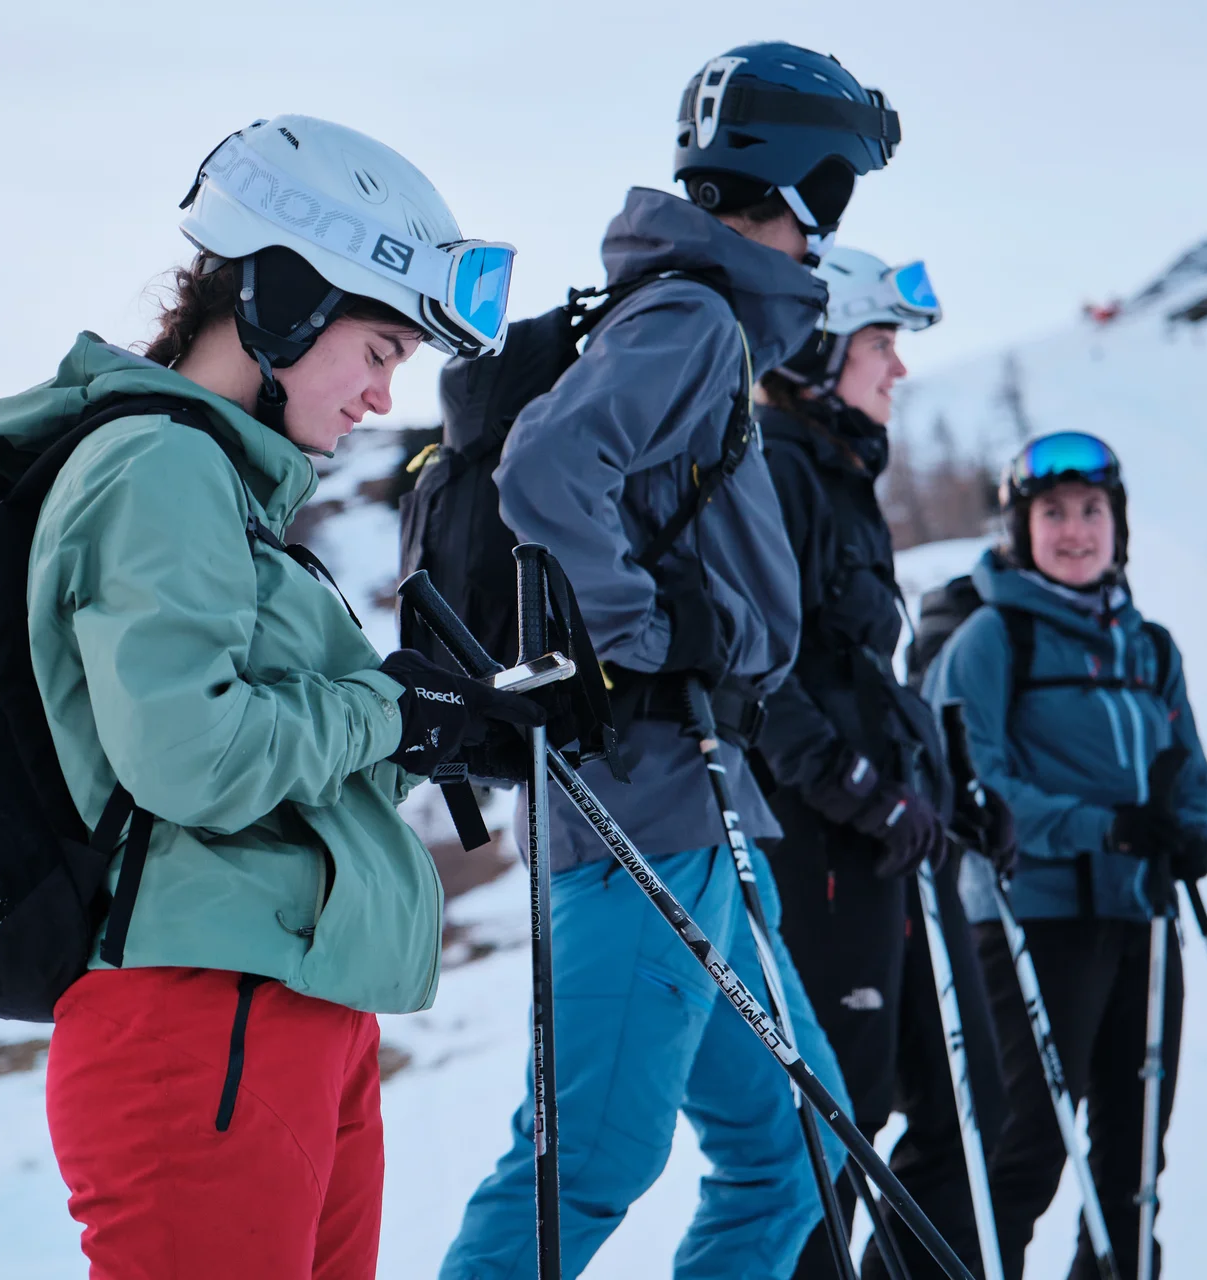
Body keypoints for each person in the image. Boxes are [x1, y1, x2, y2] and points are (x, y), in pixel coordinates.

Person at [0, 116, 541, 1279]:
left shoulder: (222, 490)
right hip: (198, 1023)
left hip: (287, 1010)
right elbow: (189, 756)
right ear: (279, 301)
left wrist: (443, 728)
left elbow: (270, 770)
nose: (379, 395)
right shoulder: (158, 467)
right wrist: (386, 711)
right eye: (374, 349)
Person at [442, 43, 901, 1280]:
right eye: (839, 192)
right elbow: (545, 468)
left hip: (698, 800)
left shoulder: (691, 317)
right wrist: (645, 633)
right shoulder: (695, 318)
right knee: (584, 1161)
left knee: (797, 1146)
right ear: (806, 186)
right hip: (645, 804)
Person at [753, 248, 1012, 1280]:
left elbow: (865, 676)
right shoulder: (775, 467)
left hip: (889, 843)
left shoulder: (836, 467)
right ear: (818, 349)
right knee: (837, 1127)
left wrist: (947, 789)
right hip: (824, 844)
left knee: (971, 1106)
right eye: (880, 344)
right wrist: (854, 787)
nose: (897, 369)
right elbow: (761, 674)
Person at [926, 432, 1207, 1279]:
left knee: (1133, 1162)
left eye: (1093, 511)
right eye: (1053, 513)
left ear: (1118, 526)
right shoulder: (991, 639)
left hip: (1143, 917)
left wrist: (1188, 829)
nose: (1077, 530)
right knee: (1025, 1152)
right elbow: (973, 783)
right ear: (1021, 528)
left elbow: (1185, 761)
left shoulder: (1150, 646)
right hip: (1031, 922)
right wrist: (1106, 827)